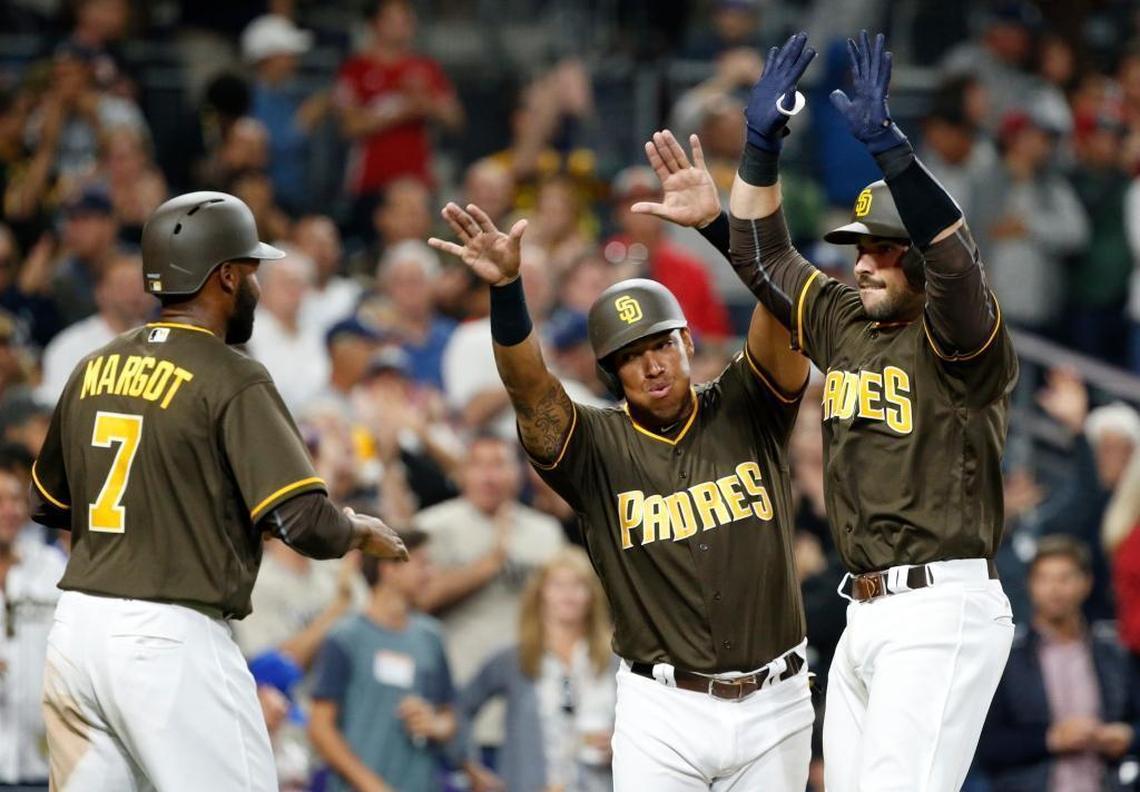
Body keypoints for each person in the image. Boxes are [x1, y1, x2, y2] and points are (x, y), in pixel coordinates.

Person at [636, 32, 1018, 792]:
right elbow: (768, 260)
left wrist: (891, 150)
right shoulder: (846, 318)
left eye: (883, 250)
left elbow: (952, 257)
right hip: (865, 609)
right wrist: (758, 149)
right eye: (859, 247)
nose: (863, 260)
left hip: (941, 607)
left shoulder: (961, 336)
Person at [428, 194, 814, 788]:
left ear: (687, 340)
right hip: (663, 709)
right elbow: (531, 392)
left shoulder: (747, 404)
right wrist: (508, 292)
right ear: (613, 374)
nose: (652, 365)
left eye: (660, 343)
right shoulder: (596, 447)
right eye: (630, 357)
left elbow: (783, 300)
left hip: (776, 702)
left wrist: (719, 226)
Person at [30, 190, 407, 792]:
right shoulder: (232, 374)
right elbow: (305, 520)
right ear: (226, 276)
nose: (255, 286)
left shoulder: (93, 366)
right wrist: (358, 529)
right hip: (170, 637)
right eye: (252, 272)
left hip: (76, 632)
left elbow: (48, 502)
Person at [413, 434, 565, 757]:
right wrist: (490, 564)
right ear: (463, 472)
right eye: (479, 465)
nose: (489, 476)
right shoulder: (432, 527)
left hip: (530, 701)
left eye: (499, 465)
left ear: (519, 472)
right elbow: (417, 603)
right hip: (457, 694)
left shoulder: (545, 532)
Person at [979, 536, 1140, 792]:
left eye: (1065, 578)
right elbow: (985, 745)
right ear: (1030, 585)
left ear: (1087, 583)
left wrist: (1127, 737)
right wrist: (1050, 739)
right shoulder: (1008, 658)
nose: (1054, 589)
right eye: (1044, 579)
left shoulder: (1115, 654)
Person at [458, 546, 616, 792]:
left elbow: (649, 724)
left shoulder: (614, 661)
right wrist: (471, 768)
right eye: (558, 585)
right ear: (541, 592)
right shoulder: (514, 658)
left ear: (592, 595)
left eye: (578, 585)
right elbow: (458, 707)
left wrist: (621, 744)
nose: (568, 594)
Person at [309, 529, 457, 792]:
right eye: (422, 563)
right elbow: (320, 727)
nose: (431, 574)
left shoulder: (431, 637)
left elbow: (449, 716)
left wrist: (434, 724)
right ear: (389, 569)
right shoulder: (345, 637)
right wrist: (371, 785)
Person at [0, 453, 66, 787]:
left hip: (44, 761)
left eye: (15, 499)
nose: (9, 510)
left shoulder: (52, 567)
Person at [37, 253, 155, 404]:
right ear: (100, 292)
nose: (134, 292)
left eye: (140, 284)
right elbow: (55, 408)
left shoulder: (163, 343)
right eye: (125, 284)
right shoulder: (69, 346)